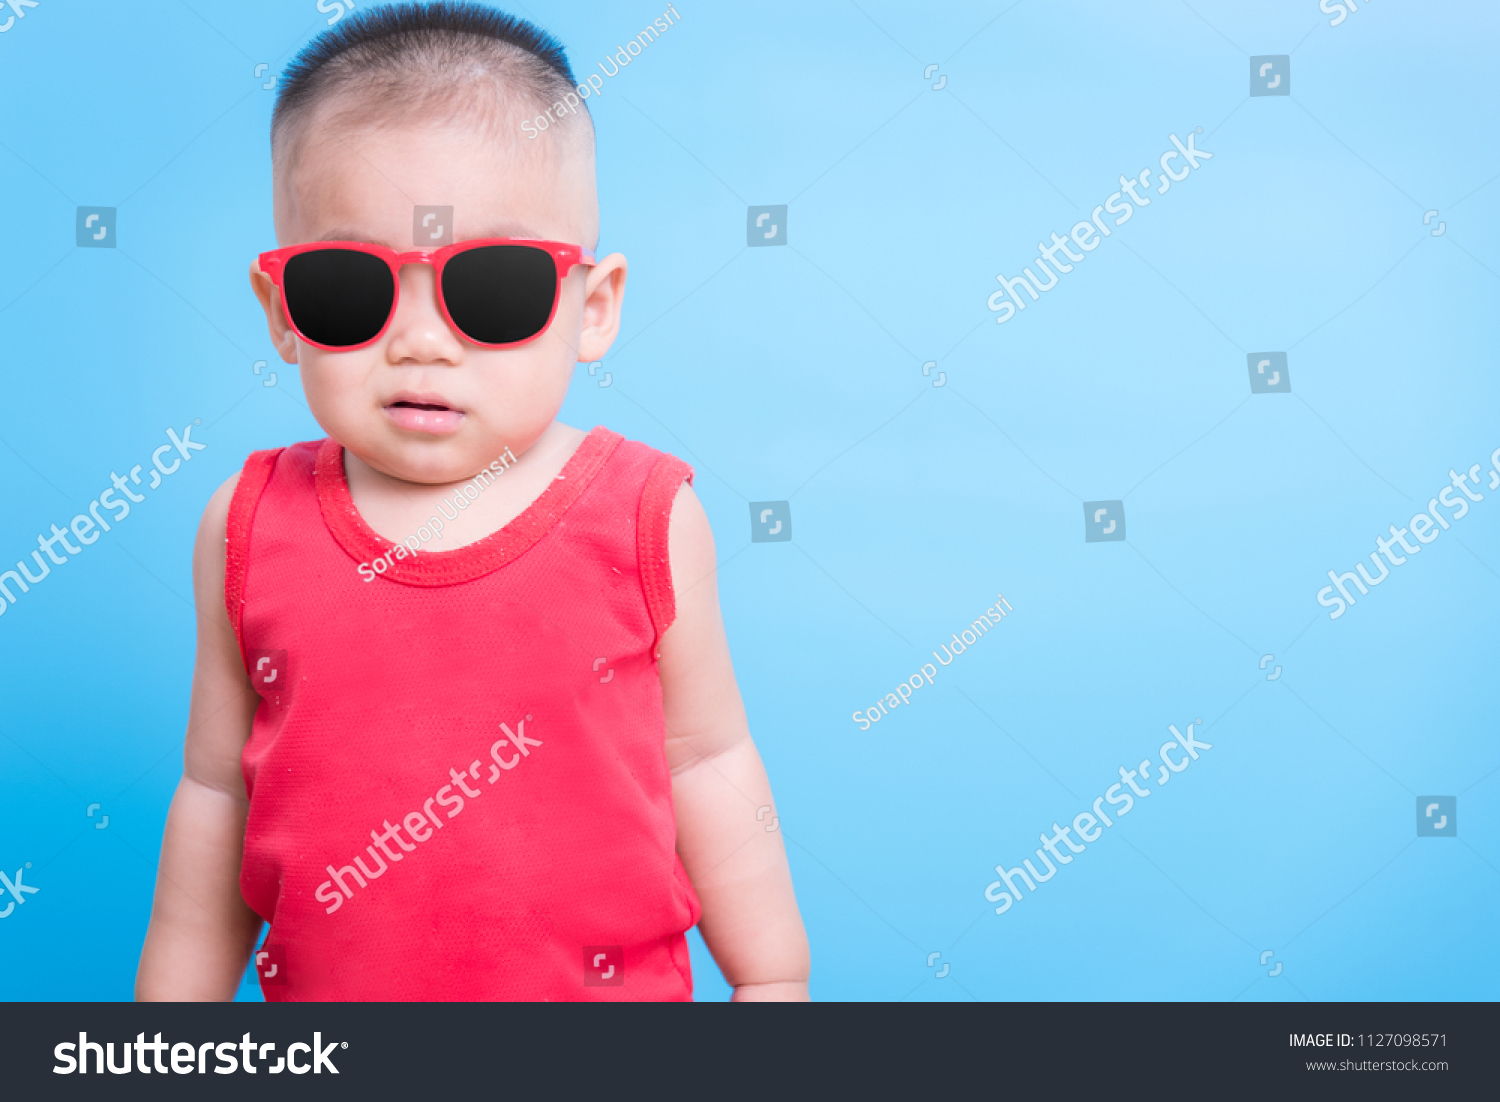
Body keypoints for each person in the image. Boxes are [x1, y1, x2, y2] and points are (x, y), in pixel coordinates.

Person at [135, 1, 808, 1001]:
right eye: (349, 291)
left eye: (491, 290)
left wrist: (773, 981)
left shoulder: (645, 514)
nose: (419, 341)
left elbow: (707, 760)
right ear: (281, 311)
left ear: (593, 309)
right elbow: (216, 790)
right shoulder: (248, 520)